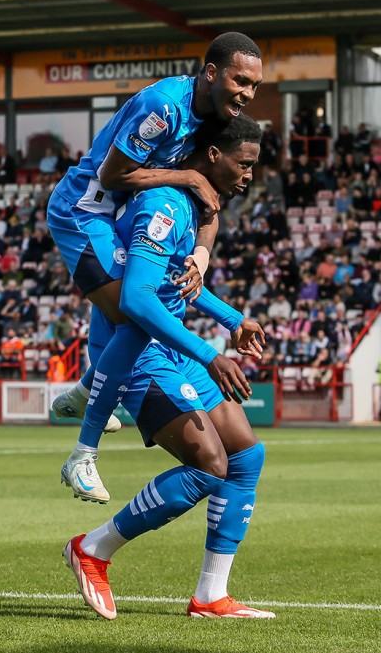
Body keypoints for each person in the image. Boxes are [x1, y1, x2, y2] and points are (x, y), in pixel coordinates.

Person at [63, 114, 274, 619]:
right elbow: (137, 299)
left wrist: (232, 319)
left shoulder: (193, 203)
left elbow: (175, 287)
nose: (249, 175)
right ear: (214, 155)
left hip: (172, 344)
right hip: (137, 352)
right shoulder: (163, 204)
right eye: (244, 164)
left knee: (246, 455)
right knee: (209, 464)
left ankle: (210, 595)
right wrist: (212, 352)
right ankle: (93, 549)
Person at [48, 32, 263, 503]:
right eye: (240, 80)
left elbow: (212, 201)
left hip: (126, 211)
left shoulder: (217, 120)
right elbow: (111, 175)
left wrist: (203, 258)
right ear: (211, 73)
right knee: (134, 312)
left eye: (254, 86)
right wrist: (186, 176)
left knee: (149, 299)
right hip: (86, 210)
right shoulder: (163, 106)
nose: (247, 93)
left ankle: (88, 390)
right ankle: (82, 452)